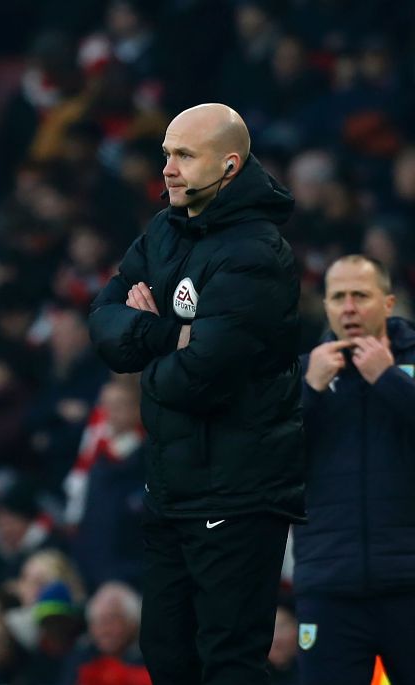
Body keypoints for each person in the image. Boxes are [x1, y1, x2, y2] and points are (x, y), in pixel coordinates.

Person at [89, 103, 305, 685]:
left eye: (184, 155)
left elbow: (199, 375)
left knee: (228, 662)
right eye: (166, 153)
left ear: (229, 166)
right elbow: (103, 322)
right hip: (173, 489)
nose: (168, 168)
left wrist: (152, 346)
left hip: (237, 492)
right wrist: (172, 334)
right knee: (166, 655)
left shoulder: (256, 252)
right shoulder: (164, 230)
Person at [293, 255, 415, 684]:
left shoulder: (409, 369)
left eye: (360, 296)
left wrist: (389, 380)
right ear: (325, 305)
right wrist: (309, 391)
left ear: (388, 303)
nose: (348, 307)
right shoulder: (302, 374)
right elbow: (262, 461)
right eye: (338, 297)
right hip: (329, 586)